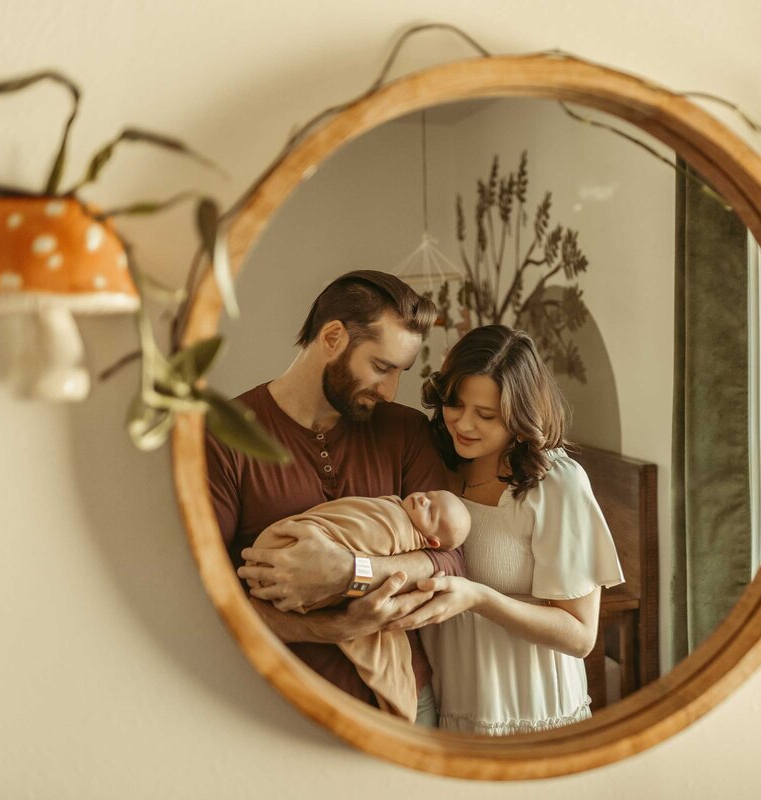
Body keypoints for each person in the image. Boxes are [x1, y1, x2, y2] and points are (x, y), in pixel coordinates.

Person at [206, 270, 465, 722]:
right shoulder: (227, 436)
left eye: (400, 373)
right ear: (332, 337)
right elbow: (212, 598)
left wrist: (353, 572)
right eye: (381, 368)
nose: (390, 391)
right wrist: (332, 627)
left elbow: (451, 561)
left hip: (408, 704)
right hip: (283, 708)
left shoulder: (404, 430)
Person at [394, 324, 625, 735]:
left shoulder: (556, 483)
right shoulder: (431, 466)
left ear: (520, 419)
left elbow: (580, 636)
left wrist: (478, 598)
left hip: (532, 711)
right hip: (451, 706)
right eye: (455, 404)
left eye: (486, 415)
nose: (463, 425)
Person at [248, 489, 470, 721]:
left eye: (431, 511)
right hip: (286, 689)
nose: (423, 499)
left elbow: (451, 564)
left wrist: (351, 573)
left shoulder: (409, 463)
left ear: (430, 541)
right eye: (429, 494)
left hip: (398, 701)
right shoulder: (395, 512)